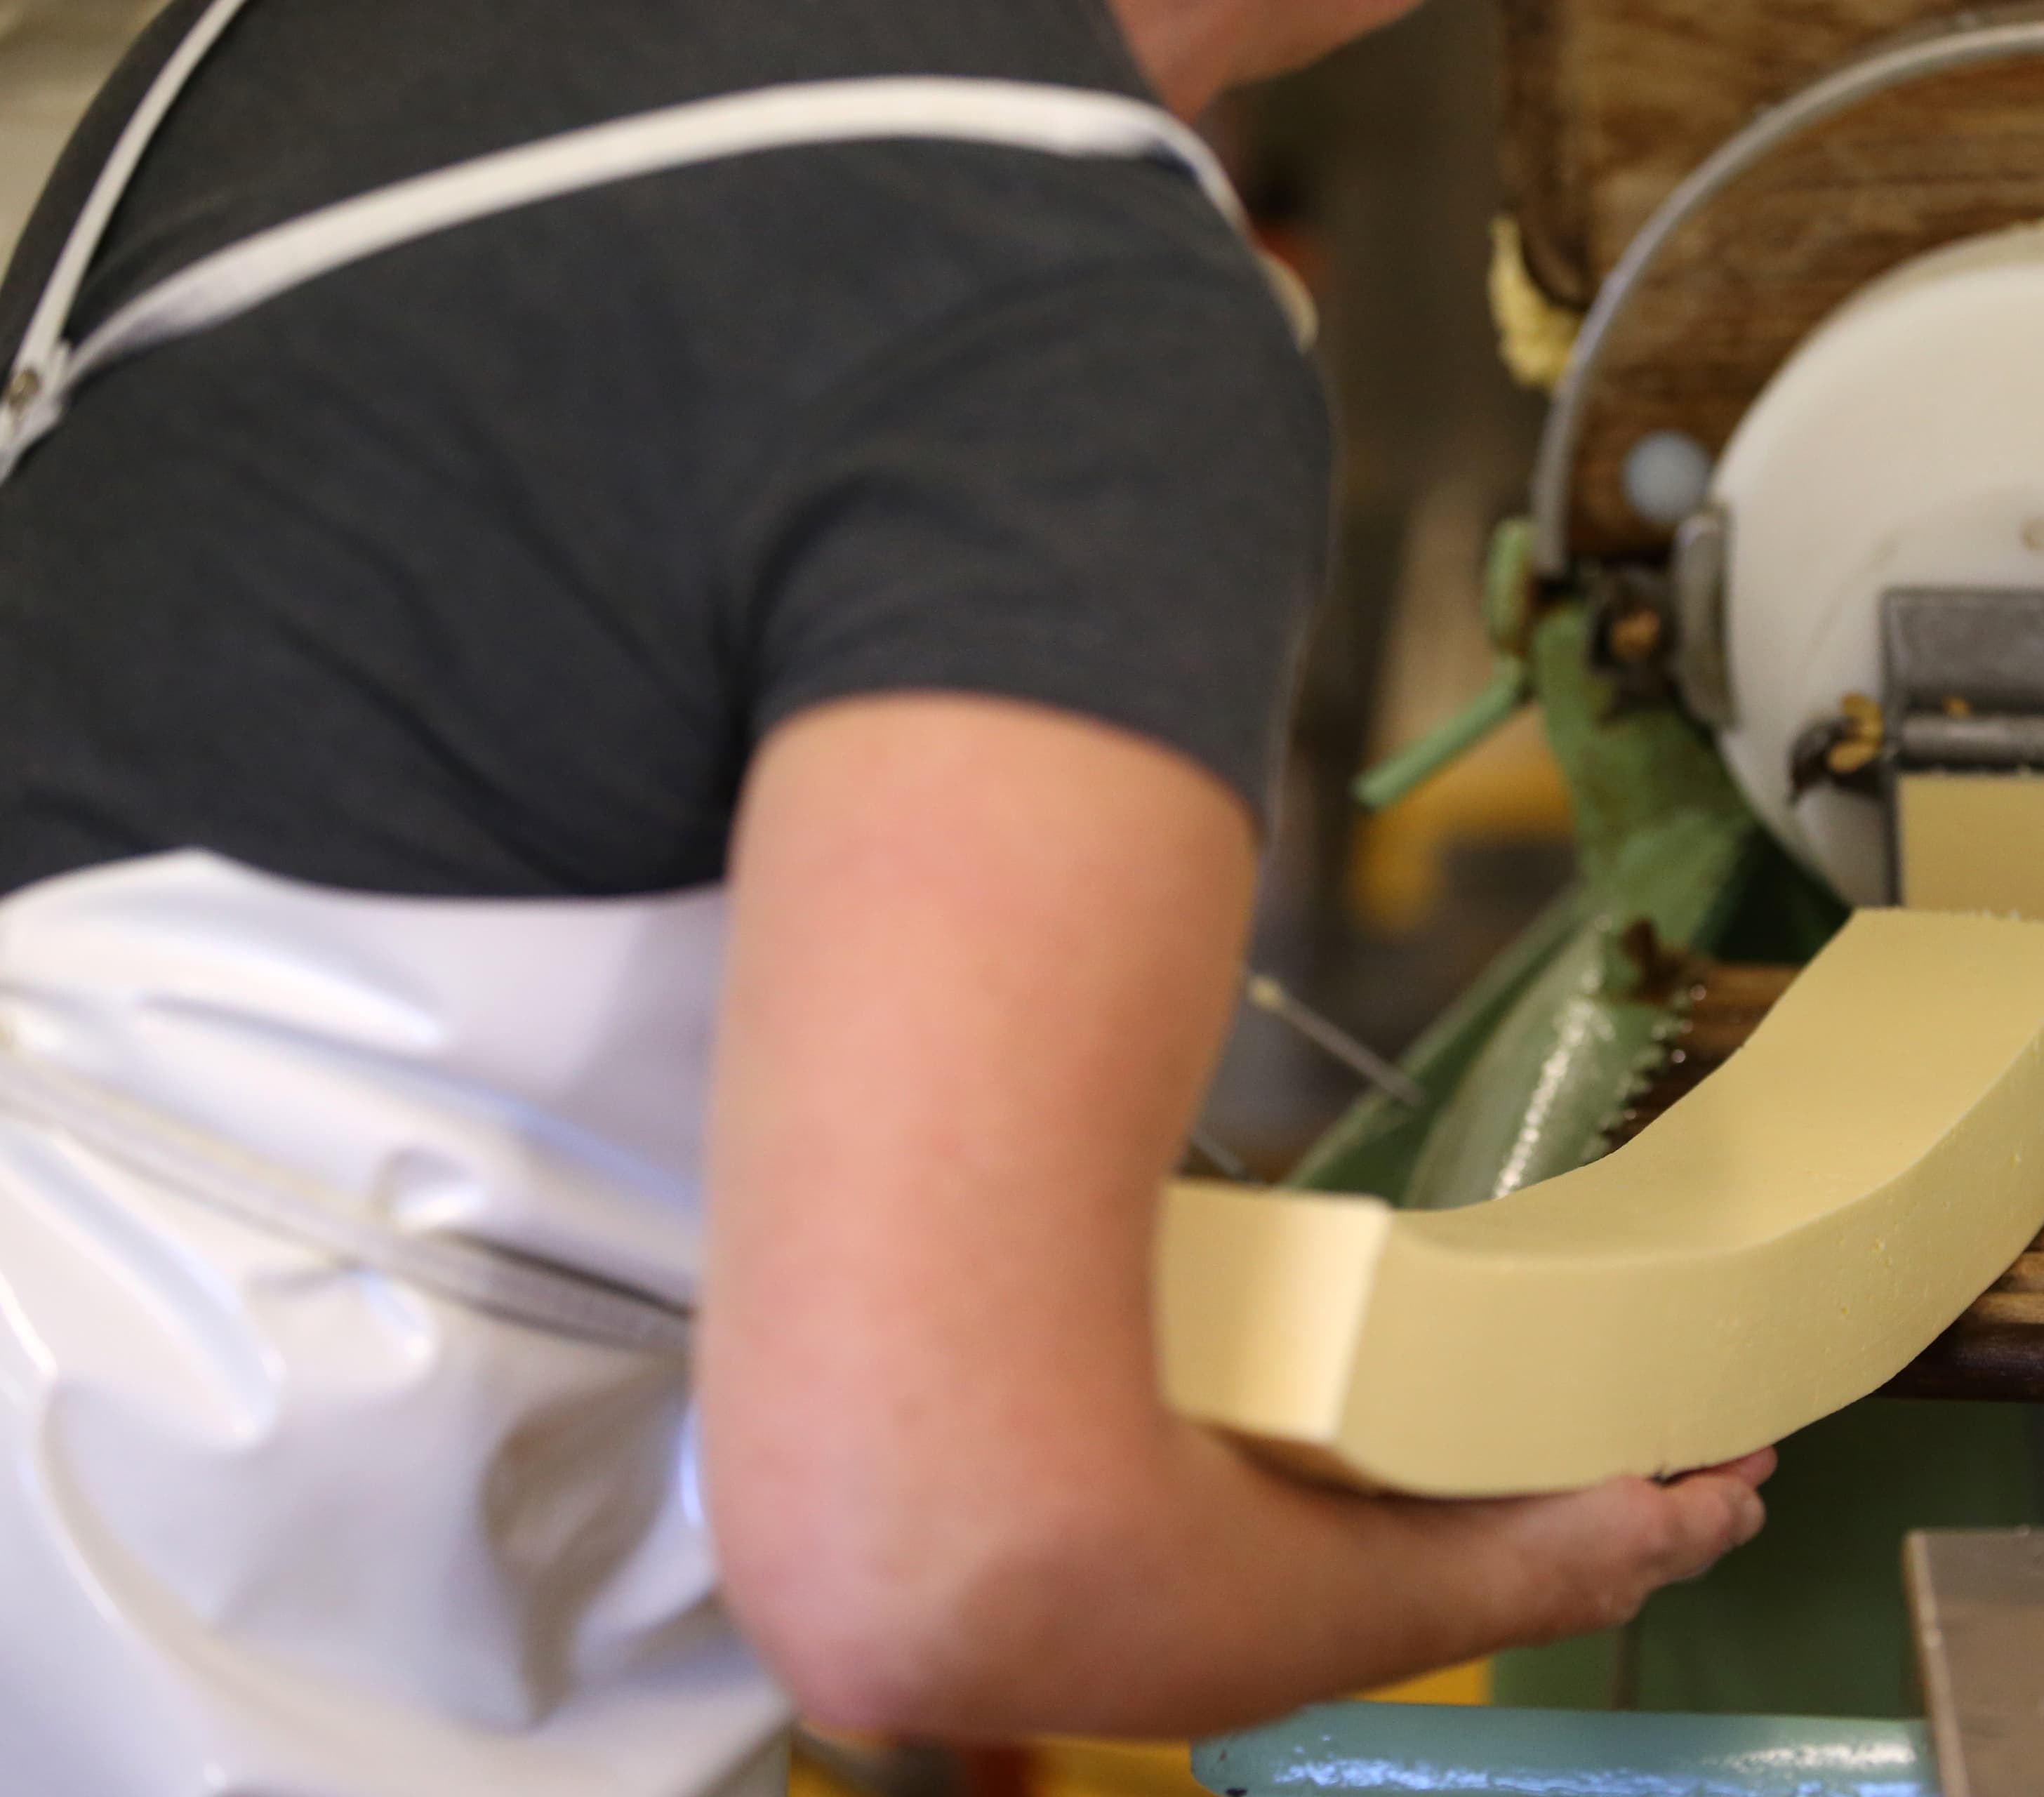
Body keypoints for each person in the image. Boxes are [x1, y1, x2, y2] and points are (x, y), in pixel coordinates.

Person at [0, 1, 1774, 1791]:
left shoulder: (327, 40)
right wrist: (1518, 1567)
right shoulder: (1046, 285)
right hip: (216, 1661)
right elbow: (927, 1554)